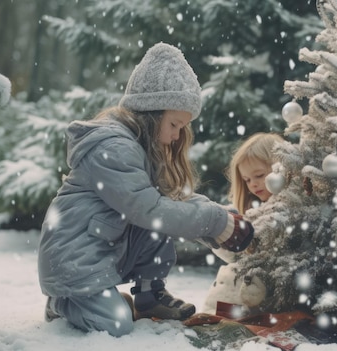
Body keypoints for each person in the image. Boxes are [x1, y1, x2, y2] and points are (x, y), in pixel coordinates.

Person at [37, 42, 254, 337]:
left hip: (101, 247)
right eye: (175, 124)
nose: (177, 136)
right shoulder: (114, 148)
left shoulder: (140, 147)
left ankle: (149, 297)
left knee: (160, 216)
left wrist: (219, 218)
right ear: (151, 113)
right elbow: (149, 209)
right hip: (74, 259)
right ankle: (64, 302)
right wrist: (214, 221)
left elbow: (170, 201)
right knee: (116, 324)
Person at [202, 132, 285, 314]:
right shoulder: (248, 211)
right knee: (231, 275)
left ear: (281, 168)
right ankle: (213, 318)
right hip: (253, 286)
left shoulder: (295, 208)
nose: (253, 184)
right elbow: (236, 256)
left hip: (282, 288)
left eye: (259, 175)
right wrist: (218, 236)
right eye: (247, 180)